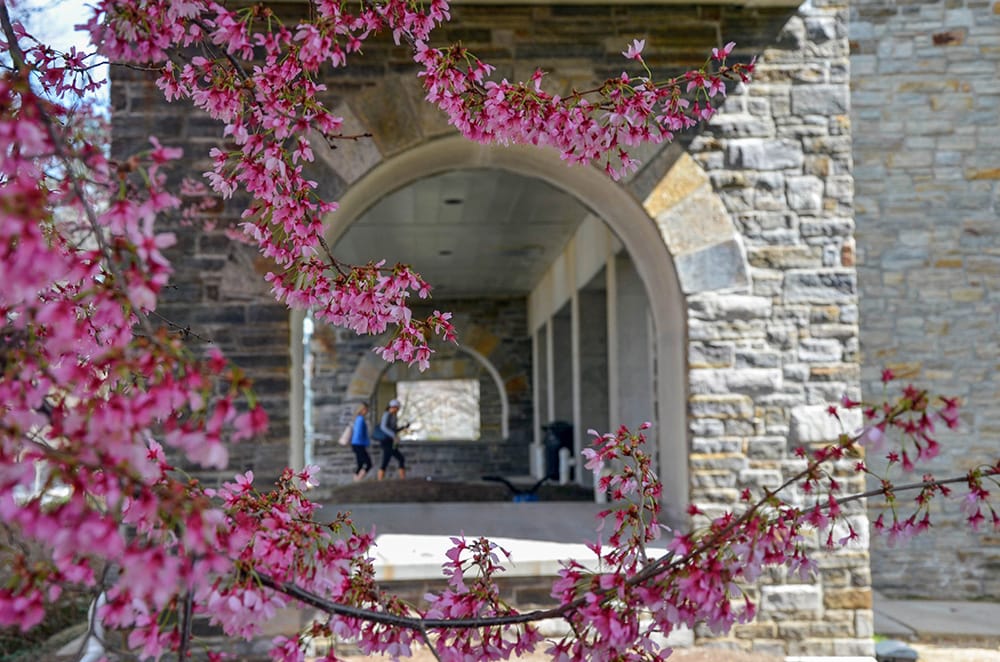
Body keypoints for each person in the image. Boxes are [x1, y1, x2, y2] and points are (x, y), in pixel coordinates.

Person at [376, 399, 408, 480]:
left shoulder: (393, 416)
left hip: (391, 441)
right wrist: (394, 435)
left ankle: (401, 478)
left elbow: (393, 429)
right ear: (393, 407)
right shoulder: (387, 414)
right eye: (397, 408)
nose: (398, 410)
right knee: (397, 458)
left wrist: (403, 427)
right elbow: (384, 427)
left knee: (388, 460)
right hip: (386, 441)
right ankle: (401, 478)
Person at [350, 403, 373, 481]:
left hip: (356, 444)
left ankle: (355, 481)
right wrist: (365, 442)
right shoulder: (361, 419)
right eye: (366, 409)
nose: (367, 411)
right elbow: (359, 433)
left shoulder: (358, 418)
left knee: (360, 464)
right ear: (362, 409)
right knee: (368, 464)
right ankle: (358, 480)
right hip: (359, 444)